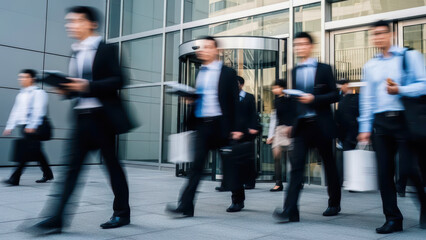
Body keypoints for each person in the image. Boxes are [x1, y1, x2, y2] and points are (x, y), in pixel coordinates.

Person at [30, 6, 135, 234]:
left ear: (91, 24)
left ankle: (122, 213)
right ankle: (56, 218)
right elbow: (78, 85)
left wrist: (87, 86)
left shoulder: (106, 49)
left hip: (103, 119)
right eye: (69, 22)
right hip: (81, 119)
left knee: (112, 168)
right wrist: (67, 90)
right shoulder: (75, 51)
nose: (70, 25)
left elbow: (119, 80)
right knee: (71, 170)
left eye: (76, 21)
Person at [357, 20, 426, 234]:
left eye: (381, 33)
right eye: (374, 34)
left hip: (405, 120)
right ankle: (393, 218)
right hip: (381, 123)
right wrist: (364, 127)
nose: (377, 37)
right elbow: (366, 99)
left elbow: (424, 84)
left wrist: (401, 89)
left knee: (408, 169)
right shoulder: (370, 65)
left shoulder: (409, 56)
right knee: (384, 173)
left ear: (391, 34)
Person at [166, 36, 242, 217]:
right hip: (203, 125)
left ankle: (238, 198)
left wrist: (237, 128)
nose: (203, 50)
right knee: (196, 167)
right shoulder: (200, 72)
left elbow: (234, 103)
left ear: (216, 51)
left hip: (221, 125)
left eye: (208, 47)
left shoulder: (228, 73)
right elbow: (202, 97)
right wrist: (191, 98)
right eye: (202, 47)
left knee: (230, 166)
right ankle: (185, 206)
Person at [273, 32, 341, 223]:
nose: (299, 48)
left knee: (329, 165)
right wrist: (289, 124)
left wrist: (314, 99)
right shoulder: (293, 72)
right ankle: (290, 210)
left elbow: (336, 95)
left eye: (303, 44)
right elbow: (294, 102)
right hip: (302, 127)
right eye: (296, 45)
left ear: (311, 46)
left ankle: (334, 203)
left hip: (321, 125)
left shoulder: (324, 69)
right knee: (296, 168)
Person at [2, 69, 54, 186]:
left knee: (25, 152)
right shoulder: (21, 94)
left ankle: (14, 178)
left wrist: (32, 125)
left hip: (35, 127)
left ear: (32, 79)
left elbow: (39, 111)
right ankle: (48, 173)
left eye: (24, 77)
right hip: (24, 127)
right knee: (36, 152)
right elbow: (15, 111)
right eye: (20, 77)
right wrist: (10, 126)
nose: (21, 79)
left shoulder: (39, 93)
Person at [266, 79, 296, 192]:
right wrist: (270, 135)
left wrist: (293, 128)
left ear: (282, 87)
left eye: (276, 87)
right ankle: (278, 183)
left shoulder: (291, 99)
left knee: (292, 158)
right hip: (279, 130)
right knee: (276, 156)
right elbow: (274, 118)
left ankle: (297, 180)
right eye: (274, 88)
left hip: (290, 130)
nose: (274, 90)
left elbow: (295, 115)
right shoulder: (276, 101)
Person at [336, 79, 359, 152]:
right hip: (344, 134)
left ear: (346, 85)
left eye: (341, 85)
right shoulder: (341, 98)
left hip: (351, 134)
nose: (340, 88)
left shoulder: (355, 97)